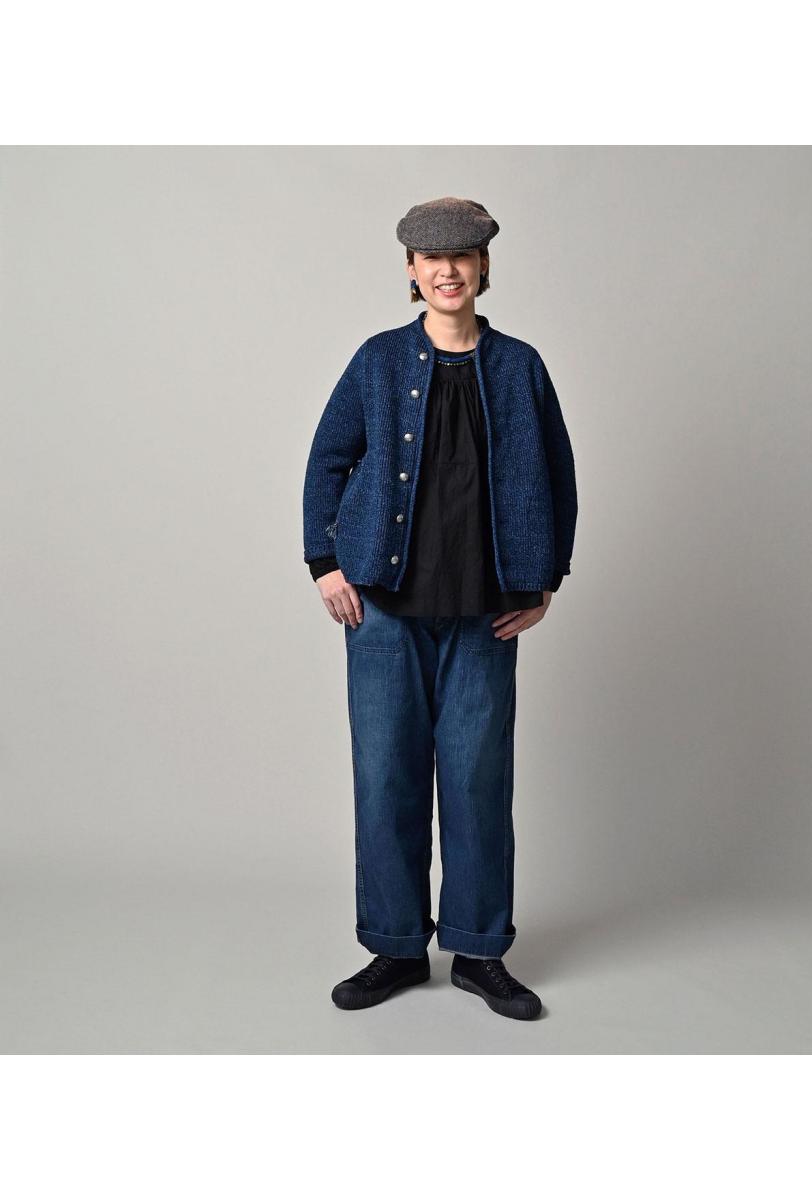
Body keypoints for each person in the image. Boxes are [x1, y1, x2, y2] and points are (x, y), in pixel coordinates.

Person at [302, 197, 577, 1020]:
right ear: (412, 272)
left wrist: (544, 581)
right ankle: (393, 948)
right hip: (383, 612)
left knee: (478, 784)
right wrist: (325, 562)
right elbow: (328, 459)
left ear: (483, 267)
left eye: (461, 257)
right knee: (385, 779)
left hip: (486, 613)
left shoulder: (520, 367)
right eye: (432, 259)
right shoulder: (379, 362)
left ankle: (479, 951)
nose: (447, 271)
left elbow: (558, 476)